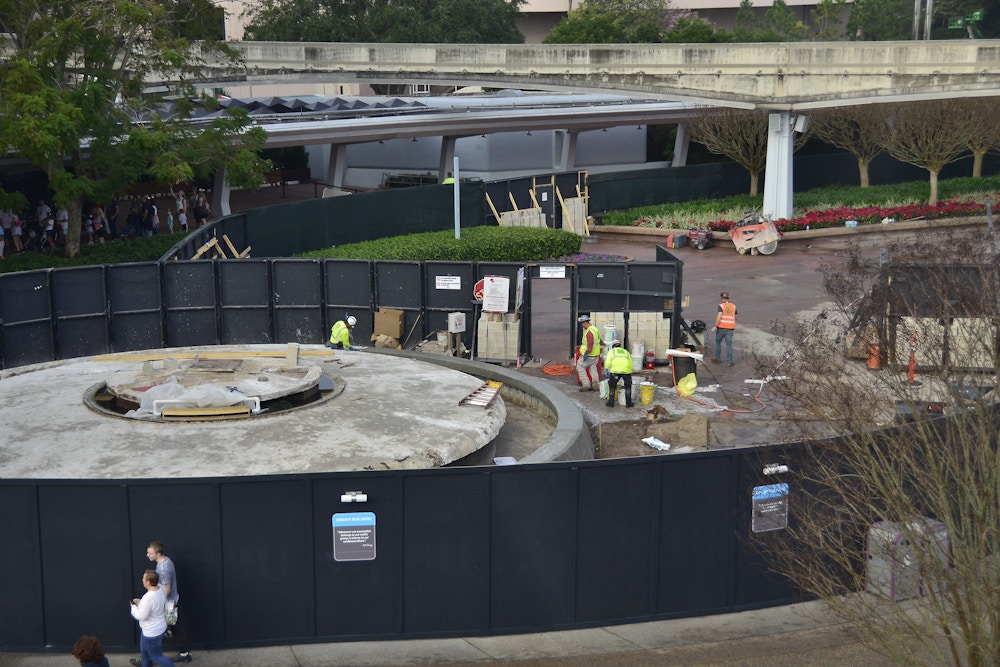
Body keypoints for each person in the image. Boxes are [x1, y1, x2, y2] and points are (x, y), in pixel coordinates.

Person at [130, 541, 192, 665]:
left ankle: (151, 656)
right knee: (174, 628)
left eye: (150, 553)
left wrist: (154, 602)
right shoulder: (166, 561)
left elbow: (167, 589)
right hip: (171, 602)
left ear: (158, 554)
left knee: (164, 629)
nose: (147, 555)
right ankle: (183, 653)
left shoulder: (163, 568)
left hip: (169, 604)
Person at [129, 569, 177, 667]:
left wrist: (133, 607)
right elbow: (153, 605)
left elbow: (141, 616)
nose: (142, 579)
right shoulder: (160, 588)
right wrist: (141, 602)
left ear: (148, 582)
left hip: (151, 632)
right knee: (145, 654)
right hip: (159, 628)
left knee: (157, 656)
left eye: (144, 578)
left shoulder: (148, 597)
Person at [574, 314, 602, 392]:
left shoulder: (589, 332)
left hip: (588, 355)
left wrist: (586, 352)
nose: (582, 326)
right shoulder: (595, 329)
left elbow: (590, 343)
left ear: (585, 323)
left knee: (580, 367)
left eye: (582, 324)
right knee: (593, 369)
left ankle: (586, 385)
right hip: (596, 355)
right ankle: (595, 385)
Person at [604, 340, 634, 408]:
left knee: (612, 386)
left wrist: (606, 369)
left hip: (615, 371)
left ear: (613, 346)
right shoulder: (626, 351)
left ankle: (611, 403)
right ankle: (628, 403)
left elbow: (608, 361)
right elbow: (630, 362)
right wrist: (629, 371)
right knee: (628, 386)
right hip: (626, 371)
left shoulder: (612, 351)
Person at [710, 291, 737, 366]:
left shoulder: (721, 306)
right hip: (730, 328)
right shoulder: (733, 306)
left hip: (721, 328)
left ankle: (718, 358)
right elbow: (736, 316)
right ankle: (729, 361)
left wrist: (715, 325)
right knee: (729, 345)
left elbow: (719, 315)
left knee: (718, 342)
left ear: (722, 298)